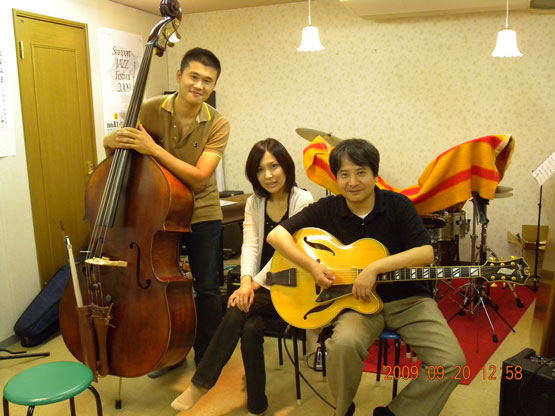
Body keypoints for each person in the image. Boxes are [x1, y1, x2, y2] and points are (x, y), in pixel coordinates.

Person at [267, 139, 466, 416]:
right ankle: (343, 409)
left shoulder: (398, 205)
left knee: (452, 362)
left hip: (409, 301)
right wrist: (312, 266)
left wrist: (375, 268)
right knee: (342, 345)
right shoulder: (327, 208)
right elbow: (276, 235)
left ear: (374, 174)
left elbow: (425, 253)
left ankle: (395, 413)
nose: (353, 182)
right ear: (336, 178)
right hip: (356, 304)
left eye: (361, 172)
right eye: (344, 174)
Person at [103, 47, 230, 367]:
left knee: (207, 289)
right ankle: (168, 352)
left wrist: (154, 150)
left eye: (207, 81)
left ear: (214, 86)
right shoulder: (148, 109)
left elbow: (199, 178)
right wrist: (110, 142)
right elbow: (115, 145)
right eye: (193, 77)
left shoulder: (218, 124)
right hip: (156, 213)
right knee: (158, 288)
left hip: (201, 212)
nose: (199, 85)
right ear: (179, 75)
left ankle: (207, 360)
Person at [171, 138, 314, 415]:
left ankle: (201, 384)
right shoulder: (254, 202)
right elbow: (250, 245)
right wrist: (246, 283)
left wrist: (253, 285)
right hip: (262, 289)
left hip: (294, 284)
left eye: (274, 166)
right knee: (249, 328)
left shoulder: (303, 201)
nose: (268, 175)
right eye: (260, 169)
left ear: (286, 166)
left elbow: (287, 254)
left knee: (237, 307)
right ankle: (257, 405)